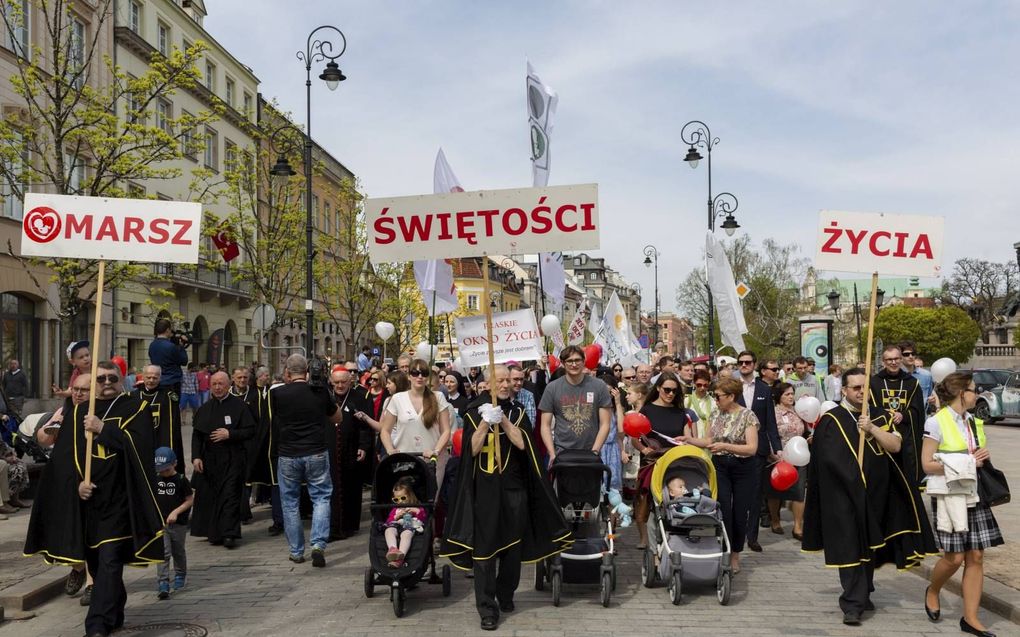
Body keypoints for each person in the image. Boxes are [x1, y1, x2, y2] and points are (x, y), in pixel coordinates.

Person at [25, 361, 164, 637]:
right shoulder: (78, 414)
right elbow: (63, 461)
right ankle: (115, 609)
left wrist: (104, 429)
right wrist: (78, 485)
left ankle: (96, 624)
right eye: (101, 379)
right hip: (90, 503)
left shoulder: (135, 407)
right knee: (99, 563)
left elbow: (139, 447)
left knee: (111, 558)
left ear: (121, 379)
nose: (107, 382)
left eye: (112, 377)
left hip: (121, 499)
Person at [802, 367, 937, 627]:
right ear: (843, 391)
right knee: (851, 546)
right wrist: (852, 481)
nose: (862, 392)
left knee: (871, 545)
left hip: (877, 495)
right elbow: (829, 461)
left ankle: (864, 593)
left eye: (865, 387)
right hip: (845, 497)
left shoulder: (878, 416)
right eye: (856, 388)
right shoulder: (833, 419)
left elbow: (896, 446)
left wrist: (872, 428)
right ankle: (852, 604)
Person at [440, 365, 571, 631]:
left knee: (513, 547)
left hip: (514, 488)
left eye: (507, 381)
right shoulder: (474, 411)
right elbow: (472, 450)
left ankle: (506, 592)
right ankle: (487, 607)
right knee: (485, 549)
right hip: (485, 490)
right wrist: (487, 421)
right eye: (498, 380)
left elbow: (524, 444)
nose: (504, 384)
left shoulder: (518, 411)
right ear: (487, 384)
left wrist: (504, 420)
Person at [923, 372, 1003, 637]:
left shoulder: (973, 422)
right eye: (973, 389)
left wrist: (981, 455)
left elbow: (974, 456)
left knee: (976, 556)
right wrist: (969, 462)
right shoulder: (936, 422)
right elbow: (927, 465)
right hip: (949, 495)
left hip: (974, 492)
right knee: (954, 558)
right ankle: (933, 590)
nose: (976, 393)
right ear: (961, 393)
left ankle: (970, 618)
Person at [681, 377, 759, 574]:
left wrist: (726, 445)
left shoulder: (747, 415)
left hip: (743, 467)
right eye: (714, 396)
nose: (715, 400)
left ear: (731, 396)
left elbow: (751, 448)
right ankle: (724, 549)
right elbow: (708, 440)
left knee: (740, 512)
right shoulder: (715, 414)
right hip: (720, 466)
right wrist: (689, 440)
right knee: (722, 508)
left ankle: (735, 554)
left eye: (718, 396)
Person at [271, 354, 340, 566]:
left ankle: (296, 551)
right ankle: (318, 543)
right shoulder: (320, 392)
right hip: (316, 451)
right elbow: (338, 418)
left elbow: (274, 418)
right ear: (307, 371)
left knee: (290, 502)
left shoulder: (277, 394)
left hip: (288, 453)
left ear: (287, 373)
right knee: (321, 497)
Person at [190, 371, 256, 549]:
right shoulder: (204, 409)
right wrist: (196, 457)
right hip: (209, 460)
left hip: (233, 459)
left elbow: (250, 430)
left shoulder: (239, 406)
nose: (218, 387)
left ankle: (229, 534)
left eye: (221, 384)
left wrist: (230, 434)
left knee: (230, 497)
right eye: (214, 384)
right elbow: (196, 436)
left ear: (228, 385)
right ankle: (215, 533)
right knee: (211, 497)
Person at [632, 372, 691, 549]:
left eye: (674, 391)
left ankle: (673, 540)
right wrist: (644, 449)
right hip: (652, 463)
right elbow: (635, 437)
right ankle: (648, 541)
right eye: (667, 390)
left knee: (674, 499)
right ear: (658, 388)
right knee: (648, 503)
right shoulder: (647, 410)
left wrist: (685, 443)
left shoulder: (680, 412)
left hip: (674, 463)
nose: (670, 394)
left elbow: (687, 436)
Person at [734, 350, 781, 554]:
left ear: (754, 365)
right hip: (735, 447)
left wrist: (776, 446)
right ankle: (735, 533)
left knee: (754, 494)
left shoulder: (764, 388)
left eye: (748, 362)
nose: (744, 365)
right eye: (741, 362)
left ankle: (752, 537)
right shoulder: (733, 388)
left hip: (758, 449)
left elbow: (770, 420)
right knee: (737, 494)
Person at [538, 345, 612, 464]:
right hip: (562, 452)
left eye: (577, 360)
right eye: (570, 361)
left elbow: (605, 424)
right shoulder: (552, 388)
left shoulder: (599, 386)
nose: (574, 364)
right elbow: (545, 425)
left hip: (590, 452)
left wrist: (595, 451)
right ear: (563, 363)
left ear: (583, 361)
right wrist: (552, 453)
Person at [869, 344, 926, 487]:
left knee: (905, 479)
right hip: (882, 434)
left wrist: (904, 415)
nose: (893, 362)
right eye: (889, 360)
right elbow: (869, 409)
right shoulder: (873, 383)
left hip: (905, 436)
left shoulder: (912, 383)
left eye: (896, 359)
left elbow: (918, 410)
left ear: (901, 360)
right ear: (883, 362)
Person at [328, 367, 372, 540]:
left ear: (350, 381)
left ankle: (349, 525)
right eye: (336, 382)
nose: (340, 385)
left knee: (351, 487)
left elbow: (366, 425)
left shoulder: (359, 398)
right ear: (331, 382)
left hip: (351, 447)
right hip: (330, 448)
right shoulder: (327, 397)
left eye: (343, 382)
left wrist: (364, 446)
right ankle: (333, 526)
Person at [765, 382, 807, 538]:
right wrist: (773, 453)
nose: (791, 397)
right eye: (787, 394)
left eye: (792, 393)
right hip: (779, 457)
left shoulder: (798, 411)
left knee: (799, 492)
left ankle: (797, 526)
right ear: (778, 396)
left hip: (800, 456)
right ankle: (775, 520)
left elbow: (805, 430)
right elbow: (769, 434)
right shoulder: (774, 413)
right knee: (775, 492)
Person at [154, 447, 193, 599]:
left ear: (175, 464)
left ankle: (180, 575)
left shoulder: (181, 480)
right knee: (163, 552)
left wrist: (176, 512)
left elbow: (190, 500)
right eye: (160, 470)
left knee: (178, 550)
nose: (163, 473)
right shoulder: (155, 479)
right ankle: (163, 582)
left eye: (167, 469)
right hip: (161, 523)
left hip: (178, 524)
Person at [131, 365, 185, 474]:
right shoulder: (132, 397)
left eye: (155, 378)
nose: (151, 380)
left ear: (160, 378)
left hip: (160, 443)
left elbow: (172, 427)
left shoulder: (168, 396)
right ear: (143, 377)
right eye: (148, 377)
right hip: (140, 443)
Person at [384, 477, 427, 568]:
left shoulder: (416, 506)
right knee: (388, 530)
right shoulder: (396, 509)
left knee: (406, 534)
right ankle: (393, 549)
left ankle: (400, 557)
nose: (400, 501)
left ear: (410, 496)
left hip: (409, 527)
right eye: (396, 500)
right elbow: (389, 521)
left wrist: (416, 511)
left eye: (403, 498)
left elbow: (423, 518)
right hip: (396, 526)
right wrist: (397, 516)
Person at [148, 319, 189, 395]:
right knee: (173, 405)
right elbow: (184, 361)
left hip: (158, 381)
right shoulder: (171, 347)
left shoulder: (152, 345)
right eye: (170, 330)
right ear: (167, 330)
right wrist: (181, 347)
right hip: (172, 382)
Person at [900, 340, 934, 406]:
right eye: (906, 354)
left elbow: (929, 395)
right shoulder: (895, 375)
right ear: (900, 356)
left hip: (922, 415)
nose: (910, 356)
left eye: (913, 354)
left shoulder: (926, 375)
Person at [684, 369, 717, 434]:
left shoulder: (713, 401)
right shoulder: (687, 400)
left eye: (705, 385)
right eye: (699, 385)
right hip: (690, 438)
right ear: (694, 383)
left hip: (706, 438)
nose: (702, 388)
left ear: (709, 384)